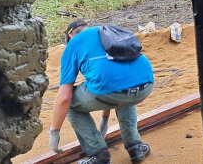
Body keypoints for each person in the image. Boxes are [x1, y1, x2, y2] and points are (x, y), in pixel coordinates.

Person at [48, 20, 155, 164]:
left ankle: (98, 155)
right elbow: (114, 76)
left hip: (112, 90)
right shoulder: (108, 31)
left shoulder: (73, 44)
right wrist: (105, 120)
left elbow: (64, 98)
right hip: (146, 83)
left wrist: (54, 132)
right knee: (123, 86)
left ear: (70, 37)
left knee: (70, 103)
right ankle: (135, 146)